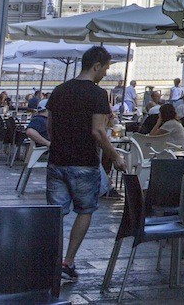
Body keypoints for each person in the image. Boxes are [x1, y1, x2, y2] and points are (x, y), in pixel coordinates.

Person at [45, 45, 127, 283]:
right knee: (85, 210)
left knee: (55, 214)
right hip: (84, 162)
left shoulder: (59, 90)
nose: (106, 73)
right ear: (96, 66)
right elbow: (98, 131)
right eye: (106, 68)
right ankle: (67, 261)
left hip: (57, 161)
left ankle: (51, 262)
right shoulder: (97, 94)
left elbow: (50, 127)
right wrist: (115, 157)